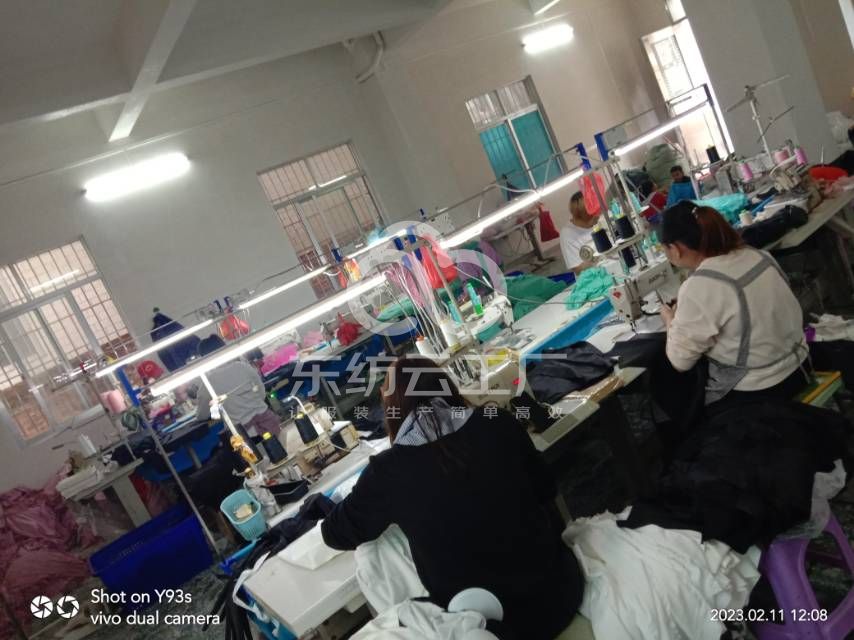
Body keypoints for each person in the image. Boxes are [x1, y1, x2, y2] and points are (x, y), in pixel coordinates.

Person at [321, 356, 584, 640]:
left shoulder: (387, 473)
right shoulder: (497, 423)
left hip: (489, 626)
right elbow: (546, 488)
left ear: (393, 409)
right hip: (558, 595)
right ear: (447, 387)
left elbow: (334, 534)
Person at [658, 201, 809, 411]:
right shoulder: (756, 254)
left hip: (765, 389)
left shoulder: (697, 287)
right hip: (801, 364)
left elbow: (680, 361)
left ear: (674, 249)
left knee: (681, 401)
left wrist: (670, 320)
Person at [194, 335, 282, 437]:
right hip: (269, 423)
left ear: (205, 359)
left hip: (245, 434)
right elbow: (261, 393)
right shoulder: (243, 366)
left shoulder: (208, 383)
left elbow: (202, 415)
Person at [560, 191, 599, 273]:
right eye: (592, 215)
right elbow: (578, 269)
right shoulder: (567, 234)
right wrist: (600, 255)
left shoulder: (599, 219)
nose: (597, 217)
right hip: (593, 274)